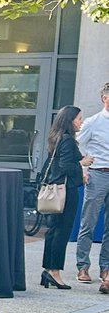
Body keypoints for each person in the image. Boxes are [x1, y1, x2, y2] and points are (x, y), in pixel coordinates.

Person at [40, 106, 93, 290]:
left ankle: (47, 270)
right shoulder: (68, 140)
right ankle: (54, 272)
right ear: (70, 120)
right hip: (65, 191)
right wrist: (82, 163)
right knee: (62, 231)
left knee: (53, 230)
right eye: (79, 118)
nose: (81, 122)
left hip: (56, 189)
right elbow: (64, 166)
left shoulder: (56, 137)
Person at [76, 81, 109, 292]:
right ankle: (82, 266)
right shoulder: (93, 122)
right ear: (105, 98)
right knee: (88, 222)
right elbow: (78, 146)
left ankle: (106, 268)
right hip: (98, 174)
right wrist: (83, 170)